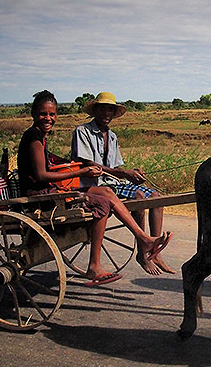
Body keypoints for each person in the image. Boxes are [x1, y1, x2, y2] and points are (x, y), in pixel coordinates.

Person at [17, 90, 172, 286]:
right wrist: (82, 173)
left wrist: (129, 173)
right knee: (104, 203)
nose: (48, 118)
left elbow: (113, 167)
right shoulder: (38, 136)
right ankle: (108, 259)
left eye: (52, 114)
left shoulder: (41, 136)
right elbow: (44, 174)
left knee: (137, 195)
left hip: (83, 183)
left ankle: (144, 240)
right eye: (43, 114)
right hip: (43, 192)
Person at [71, 91, 174, 275]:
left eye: (110, 110)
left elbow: (115, 168)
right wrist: (122, 173)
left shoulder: (112, 136)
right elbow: (86, 163)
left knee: (156, 197)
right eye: (103, 109)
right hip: (92, 185)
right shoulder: (82, 131)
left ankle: (155, 252)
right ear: (95, 111)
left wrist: (132, 174)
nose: (107, 114)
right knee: (139, 197)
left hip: (111, 182)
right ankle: (143, 252)